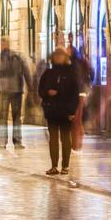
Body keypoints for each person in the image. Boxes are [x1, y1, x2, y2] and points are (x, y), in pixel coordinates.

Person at [39, 47, 82, 175]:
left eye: (60, 55)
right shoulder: (48, 73)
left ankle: (65, 166)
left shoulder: (71, 74)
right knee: (53, 138)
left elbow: (75, 93)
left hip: (65, 111)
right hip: (52, 110)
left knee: (65, 138)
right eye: (56, 55)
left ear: (65, 57)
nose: (58, 57)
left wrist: (72, 111)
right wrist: (47, 93)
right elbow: (41, 89)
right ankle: (54, 165)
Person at [0, 38, 29, 147]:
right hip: (5, 91)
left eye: (5, 43)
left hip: (14, 91)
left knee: (14, 117)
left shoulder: (18, 57)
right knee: (5, 117)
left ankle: (14, 141)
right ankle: (5, 141)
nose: (4, 45)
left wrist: (30, 88)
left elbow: (26, 72)